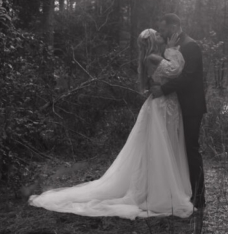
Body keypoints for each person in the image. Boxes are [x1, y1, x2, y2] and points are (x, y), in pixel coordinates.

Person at [28, 28, 194, 219]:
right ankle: (159, 191)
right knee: (159, 147)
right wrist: (172, 48)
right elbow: (176, 70)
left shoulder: (154, 57)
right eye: (156, 34)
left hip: (166, 105)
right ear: (150, 41)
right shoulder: (153, 58)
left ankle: (160, 186)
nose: (160, 35)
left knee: (163, 146)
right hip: (161, 106)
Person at [150, 13, 206, 209]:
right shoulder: (171, 45)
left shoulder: (191, 45)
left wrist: (163, 89)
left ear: (174, 26)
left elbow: (189, 77)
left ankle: (199, 197)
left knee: (190, 148)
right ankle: (181, 191)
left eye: (164, 29)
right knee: (175, 148)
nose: (162, 32)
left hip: (191, 106)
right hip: (174, 106)